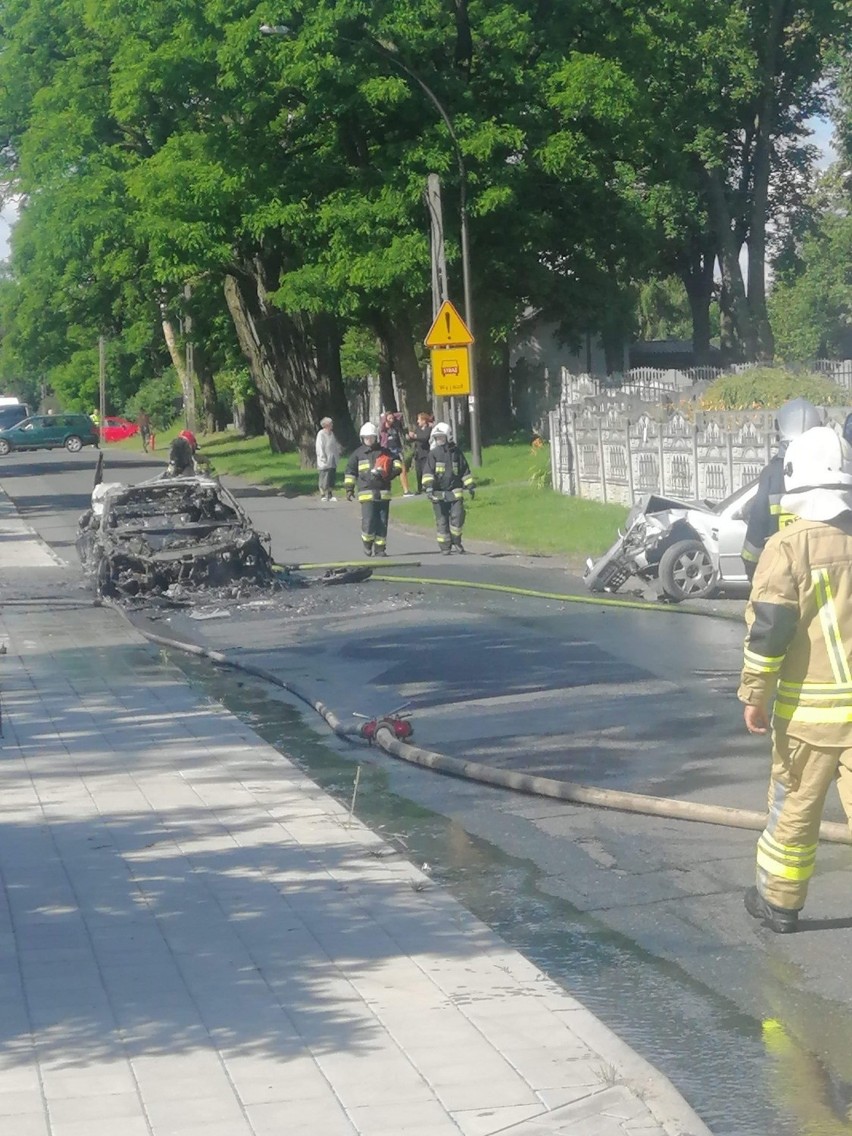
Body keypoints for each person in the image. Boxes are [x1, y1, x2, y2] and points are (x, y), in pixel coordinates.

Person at [738, 425, 852, 933]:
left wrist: (754, 696)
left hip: (808, 719)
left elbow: (769, 633)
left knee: (794, 813)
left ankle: (779, 905)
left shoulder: (786, 548)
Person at [741, 397, 823, 580]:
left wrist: (754, 575)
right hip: (820, 573)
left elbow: (754, 538)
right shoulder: (830, 470)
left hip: (781, 577)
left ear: (780, 431)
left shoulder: (772, 474)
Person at [343, 422, 402, 557]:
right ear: (362, 438)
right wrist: (349, 489)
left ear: (376, 438)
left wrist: (388, 474)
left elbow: (398, 465)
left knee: (382, 521)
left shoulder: (385, 452)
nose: (369, 440)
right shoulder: (357, 454)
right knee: (369, 521)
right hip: (366, 493)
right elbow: (350, 472)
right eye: (366, 438)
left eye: (371, 437)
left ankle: (380, 549)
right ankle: (367, 544)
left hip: (383, 492)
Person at [422, 421, 475, 554]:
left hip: (455, 492)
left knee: (457, 518)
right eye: (437, 437)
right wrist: (429, 487)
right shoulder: (433, 454)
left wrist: (470, 485)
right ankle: (445, 547)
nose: (439, 440)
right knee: (442, 521)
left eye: (442, 437)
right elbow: (428, 473)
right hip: (438, 493)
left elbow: (464, 470)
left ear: (448, 437)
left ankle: (456, 541)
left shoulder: (456, 453)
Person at [380, 411, 413, 496]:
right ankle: (383, 489)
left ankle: (406, 491)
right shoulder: (383, 429)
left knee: (402, 469)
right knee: (385, 471)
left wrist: (391, 415)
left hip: (396, 451)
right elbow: (382, 422)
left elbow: (400, 415)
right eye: (389, 419)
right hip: (387, 451)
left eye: (392, 418)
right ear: (385, 420)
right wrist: (385, 417)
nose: (392, 420)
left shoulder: (395, 426)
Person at [315, 416, 341, 502]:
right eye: (330, 424)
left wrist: (338, 453)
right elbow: (319, 446)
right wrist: (322, 457)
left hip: (332, 459)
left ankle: (330, 494)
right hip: (324, 460)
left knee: (331, 477)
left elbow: (334, 446)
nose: (332, 425)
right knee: (323, 477)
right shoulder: (321, 434)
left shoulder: (332, 434)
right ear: (326, 425)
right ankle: (322, 494)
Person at [407, 412, 434, 494]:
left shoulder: (429, 429)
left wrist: (415, 436)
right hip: (418, 453)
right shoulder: (417, 429)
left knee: (425, 470)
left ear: (424, 421)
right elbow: (414, 439)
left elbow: (425, 438)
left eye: (419, 419)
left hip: (426, 453)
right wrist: (409, 437)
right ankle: (419, 488)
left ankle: (427, 486)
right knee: (418, 472)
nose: (418, 421)